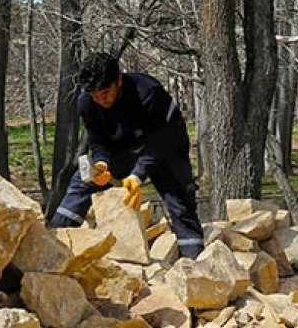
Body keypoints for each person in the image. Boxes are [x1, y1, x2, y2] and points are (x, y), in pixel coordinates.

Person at [49, 52, 205, 258]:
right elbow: (98, 141)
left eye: (105, 93)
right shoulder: (87, 102)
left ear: (119, 80)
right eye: (94, 95)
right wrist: (102, 163)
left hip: (167, 145)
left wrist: (136, 175)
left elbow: (158, 144)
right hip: (122, 149)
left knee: (179, 200)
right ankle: (55, 246)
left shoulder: (148, 93)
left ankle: (194, 260)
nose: (100, 100)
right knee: (82, 183)